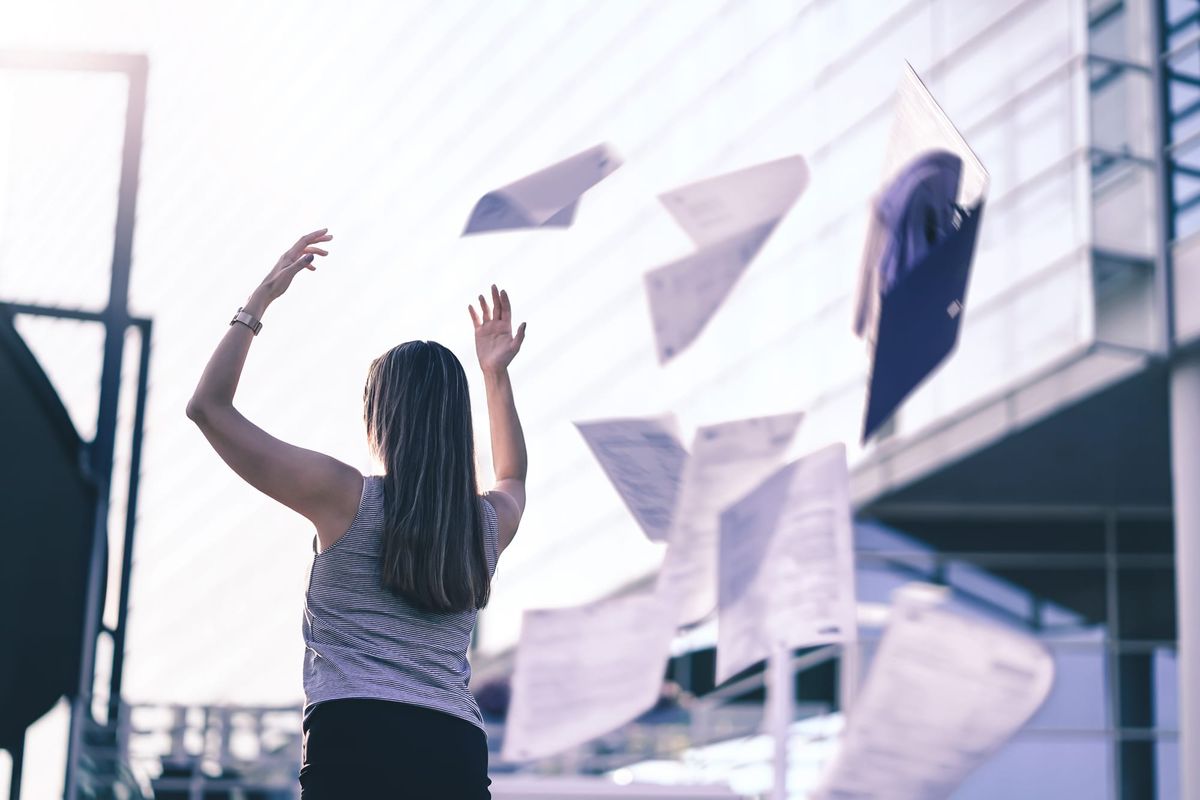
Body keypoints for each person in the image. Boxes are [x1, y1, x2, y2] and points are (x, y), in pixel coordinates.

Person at [186, 229, 527, 798]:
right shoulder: (483, 525)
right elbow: (512, 475)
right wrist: (496, 375)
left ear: (381, 417)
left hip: (354, 738)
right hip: (453, 751)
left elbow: (207, 408)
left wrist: (259, 302)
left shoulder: (343, 495)